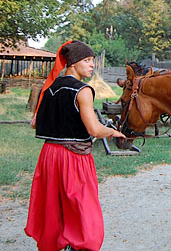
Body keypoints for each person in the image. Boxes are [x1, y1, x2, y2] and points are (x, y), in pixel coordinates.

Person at [25, 40, 126, 251]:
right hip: (73, 157)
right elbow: (94, 130)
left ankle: (56, 243)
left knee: (54, 207)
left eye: (92, 61)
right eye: (87, 60)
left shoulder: (50, 88)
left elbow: (39, 123)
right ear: (72, 62)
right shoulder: (83, 90)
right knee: (83, 209)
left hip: (49, 155)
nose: (91, 65)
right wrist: (112, 130)